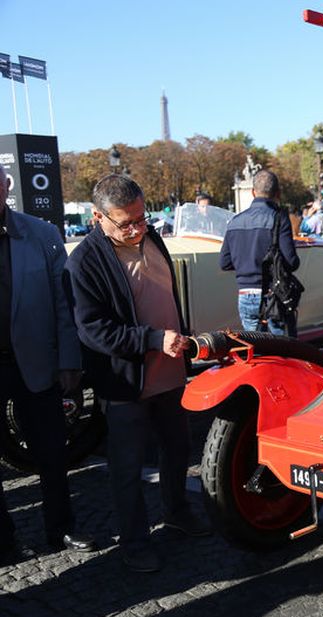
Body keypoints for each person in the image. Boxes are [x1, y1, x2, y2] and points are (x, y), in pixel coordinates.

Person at [65, 174, 210, 573]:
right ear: (97, 218)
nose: (135, 229)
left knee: (178, 448)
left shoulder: (152, 237)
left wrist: (178, 334)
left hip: (169, 371)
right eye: (124, 223)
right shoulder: (84, 262)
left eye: (141, 219)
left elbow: (164, 296)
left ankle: (178, 511)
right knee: (127, 466)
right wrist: (150, 339)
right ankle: (134, 541)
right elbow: (93, 330)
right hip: (125, 381)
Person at [0, 165, 96, 565]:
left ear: (5, 186)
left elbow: (64, 305)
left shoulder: (42, 234)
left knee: (52, 450)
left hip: (36, 361)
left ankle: (61, 527)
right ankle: (3, 540)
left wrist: (70, 360)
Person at [220, 170, 300, 336]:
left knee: (257, 349)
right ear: (277, 193)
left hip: (245, 294)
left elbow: (224, 262)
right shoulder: (279, 218)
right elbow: (291, 262)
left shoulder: (235, 221)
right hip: (273, 295)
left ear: (253, 192)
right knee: (283, 350)